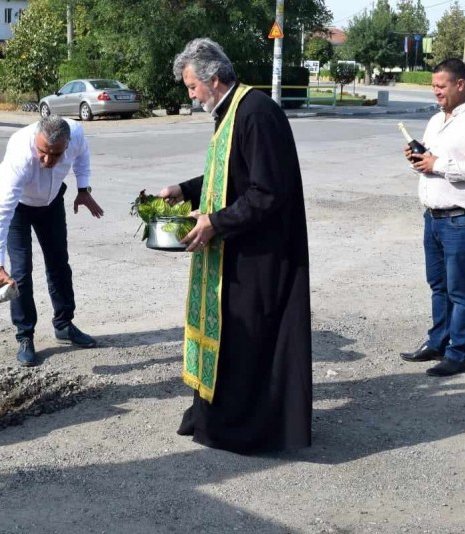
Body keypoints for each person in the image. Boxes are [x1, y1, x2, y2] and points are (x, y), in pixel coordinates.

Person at [158, 38, 312, 454]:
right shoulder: (231, 111)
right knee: (225, 335)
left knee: (247, 341)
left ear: (212, 78)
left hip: (261, 252)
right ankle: (212, 415)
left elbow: (266, 192)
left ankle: (244, 428)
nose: (190, 95)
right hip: (235, 246)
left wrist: (215, 223)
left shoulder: (257, 113)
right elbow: (229, 175)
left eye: (192, 87)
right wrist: (186, 190)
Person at [400, 58, 465, 377]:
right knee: (438, 285)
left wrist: (438, 164)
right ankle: (438, 341)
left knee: (460, 288)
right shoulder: (436, 120)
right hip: (433, 217)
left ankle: (458, 353)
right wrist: (418, 159)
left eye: (441, 86)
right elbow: (431, 161)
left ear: (461, 84)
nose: (436, 92)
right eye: (433, 87)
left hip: (463, 218)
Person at [0, 115, 104, 367]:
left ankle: (64, 325)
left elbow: (83, 157)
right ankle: (25, 336)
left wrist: (83, 189)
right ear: (36, 142)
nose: (48, 160)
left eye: (56, 155)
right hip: (19, 206)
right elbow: (1, 213)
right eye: (42, 152)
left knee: (59, 262)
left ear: (66, 145)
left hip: (51, 201)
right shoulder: (20, 154)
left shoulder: (76, 134)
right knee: (21, 270)